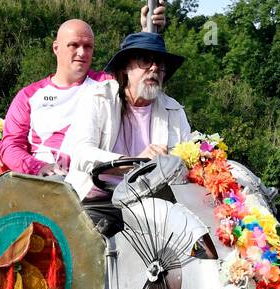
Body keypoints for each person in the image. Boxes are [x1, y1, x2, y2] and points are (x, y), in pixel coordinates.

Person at [0, 4, 166, 178]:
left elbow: (137, 76)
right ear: (56, 48)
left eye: (88, 47)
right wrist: (39, 168)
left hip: (92, 182)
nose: (82, 52)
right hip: (43, 183)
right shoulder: (29, 95)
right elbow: (11, 145)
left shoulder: (108, 85)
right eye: (74, 45)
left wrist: (148, 31)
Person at [65, 29, 192, 231]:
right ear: (125, 68)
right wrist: (134, 162)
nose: (154, 68)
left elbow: (186, 163)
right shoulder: (97, 98)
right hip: (99, 199)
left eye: (160, 64)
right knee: (92, 241)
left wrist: (169, 164)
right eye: (145, 60)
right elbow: (81, 154)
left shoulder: (173, 109)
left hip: (153, 201)